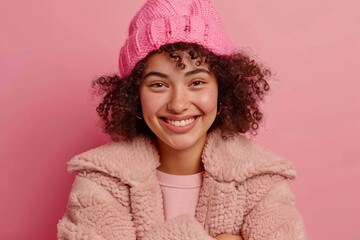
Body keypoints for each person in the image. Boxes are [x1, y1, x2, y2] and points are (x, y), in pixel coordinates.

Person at [57, 0, 306, 239]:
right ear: (134, 95)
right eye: (158, 84)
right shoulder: (101, 183)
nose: (178, 104)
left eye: (196, 82)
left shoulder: (261, 182)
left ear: (223, 89)